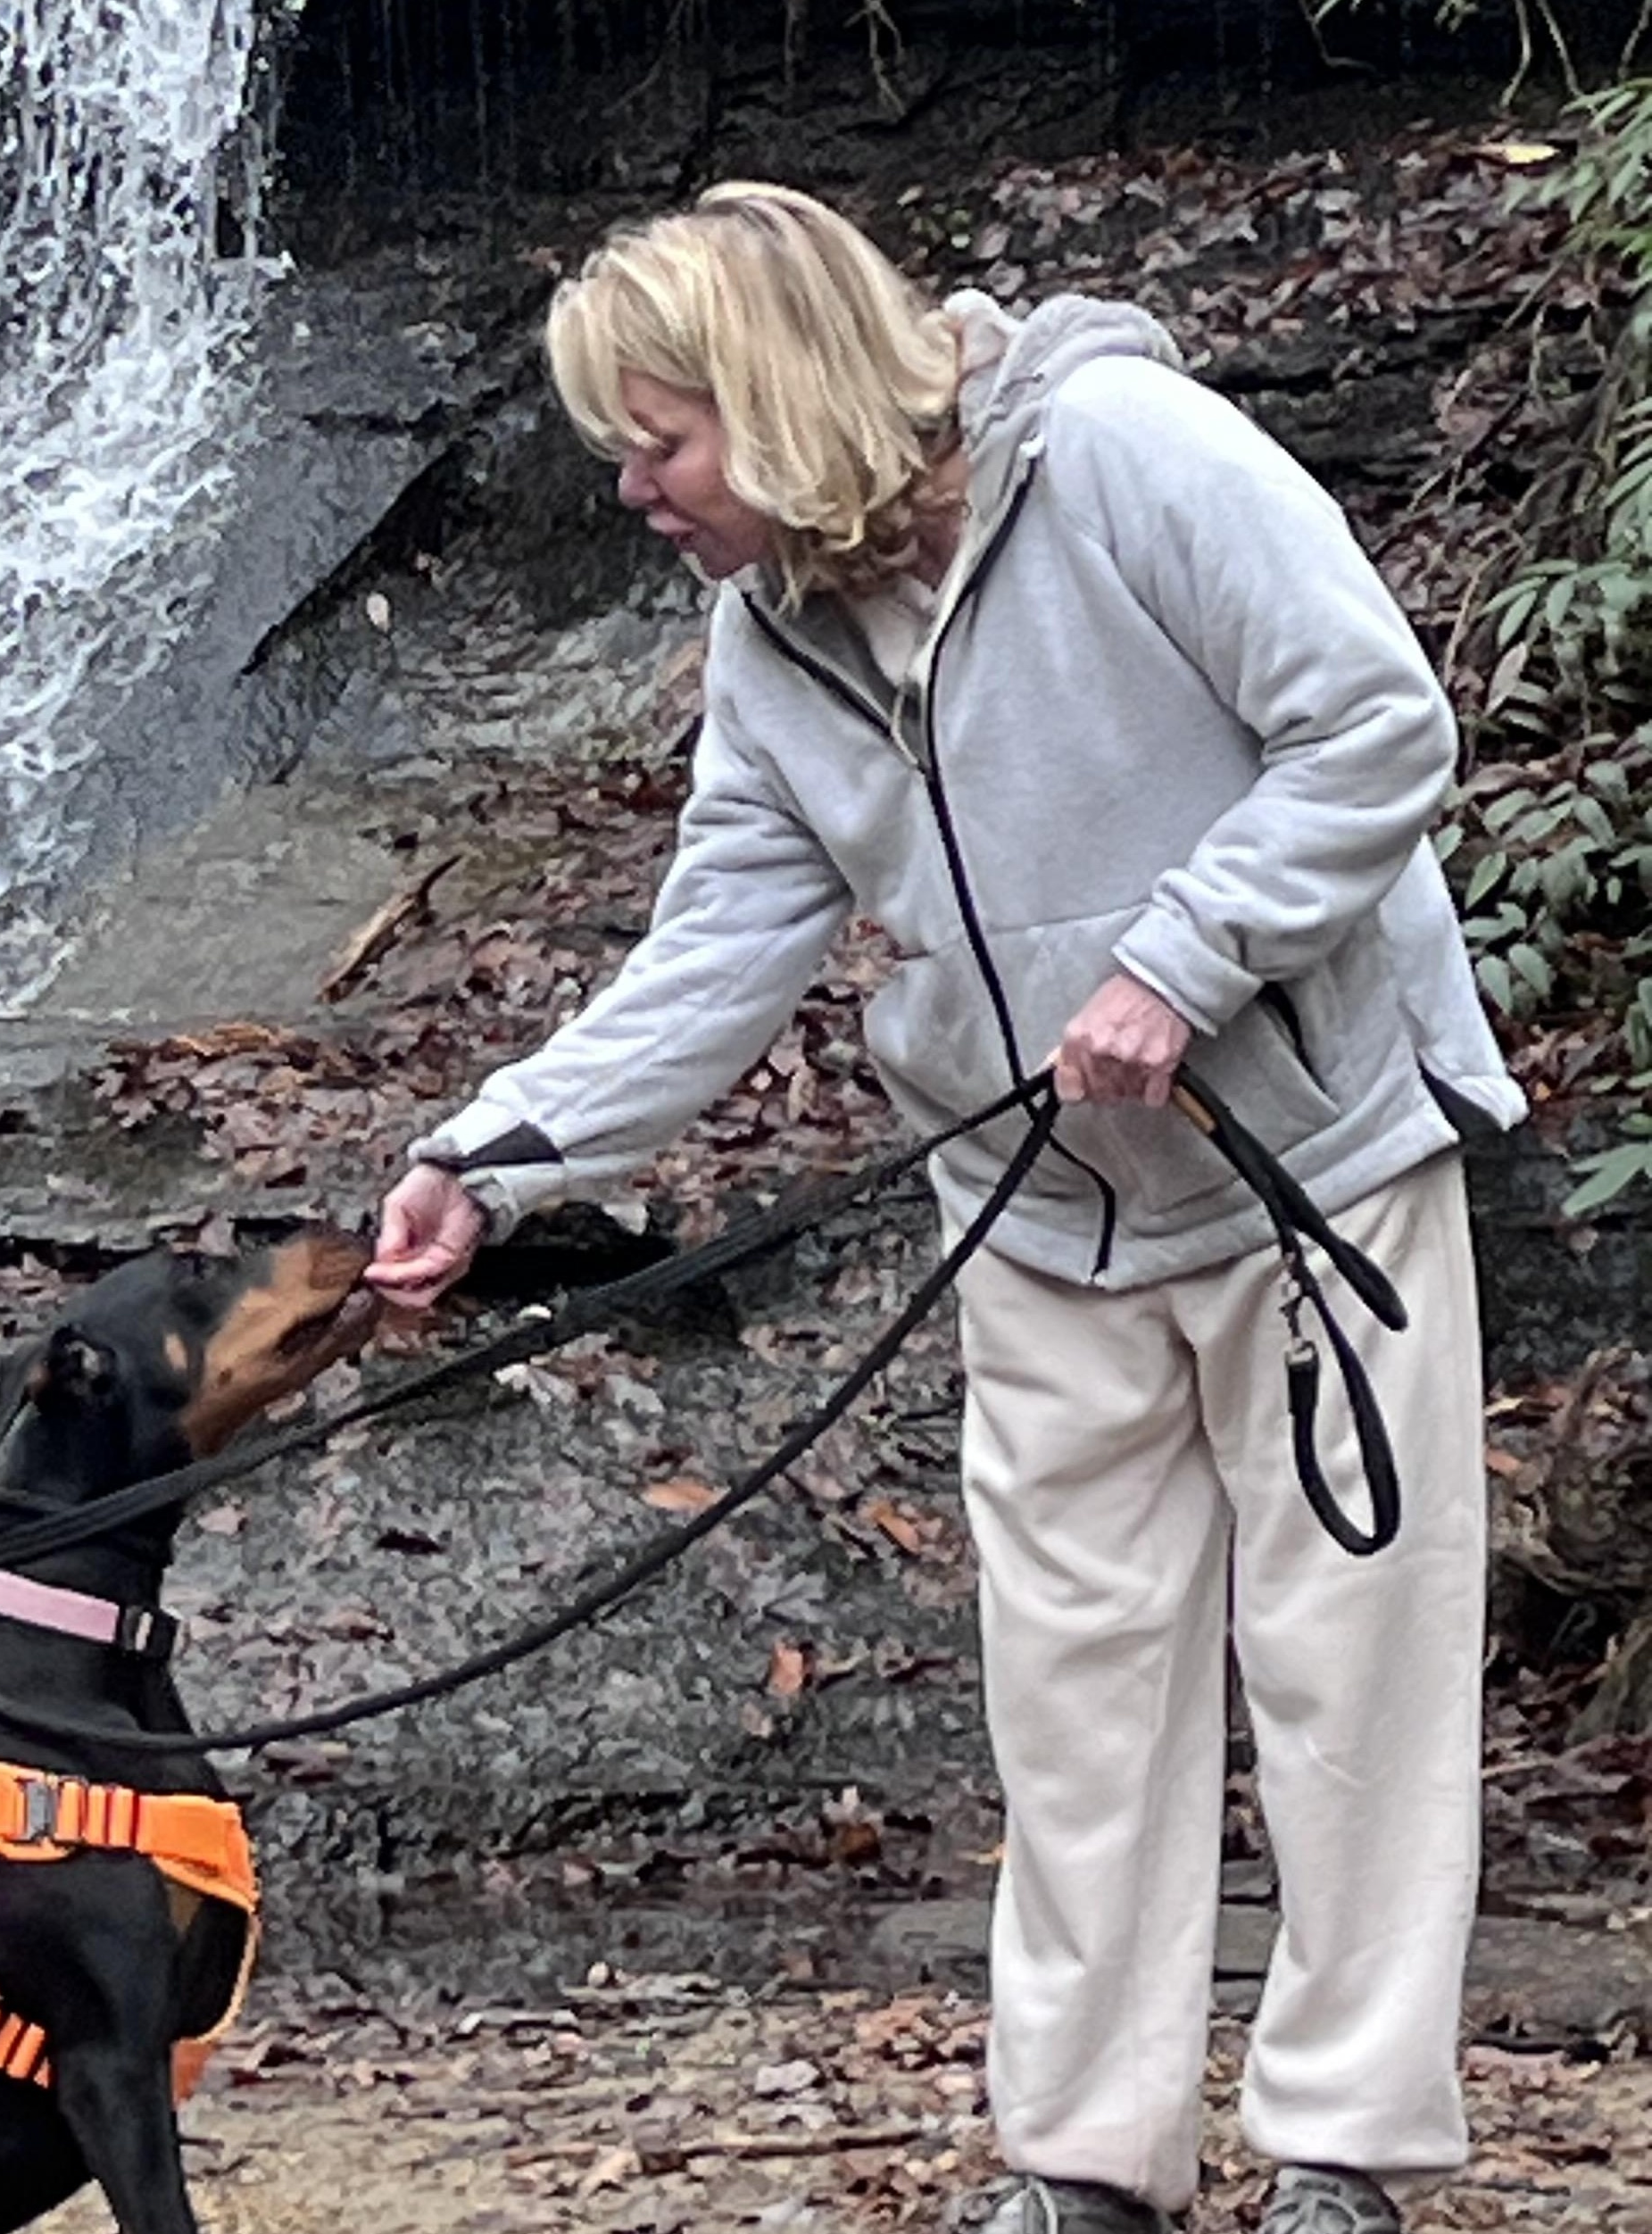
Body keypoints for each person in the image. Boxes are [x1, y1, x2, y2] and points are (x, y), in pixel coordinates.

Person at [361, 181, 1523, 2234]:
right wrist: (494, 1153)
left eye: (660, 441)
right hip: (1040, 1212)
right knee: (1073, 1701)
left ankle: (1342, 2152)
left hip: (1313, 1163)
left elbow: (1374, 725)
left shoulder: (1130, 462)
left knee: (1355, 1671)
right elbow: (714, 950)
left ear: (779, 394)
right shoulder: (770, 637)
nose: (636, 490)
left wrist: (1181, 960)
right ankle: (1083, 2162)